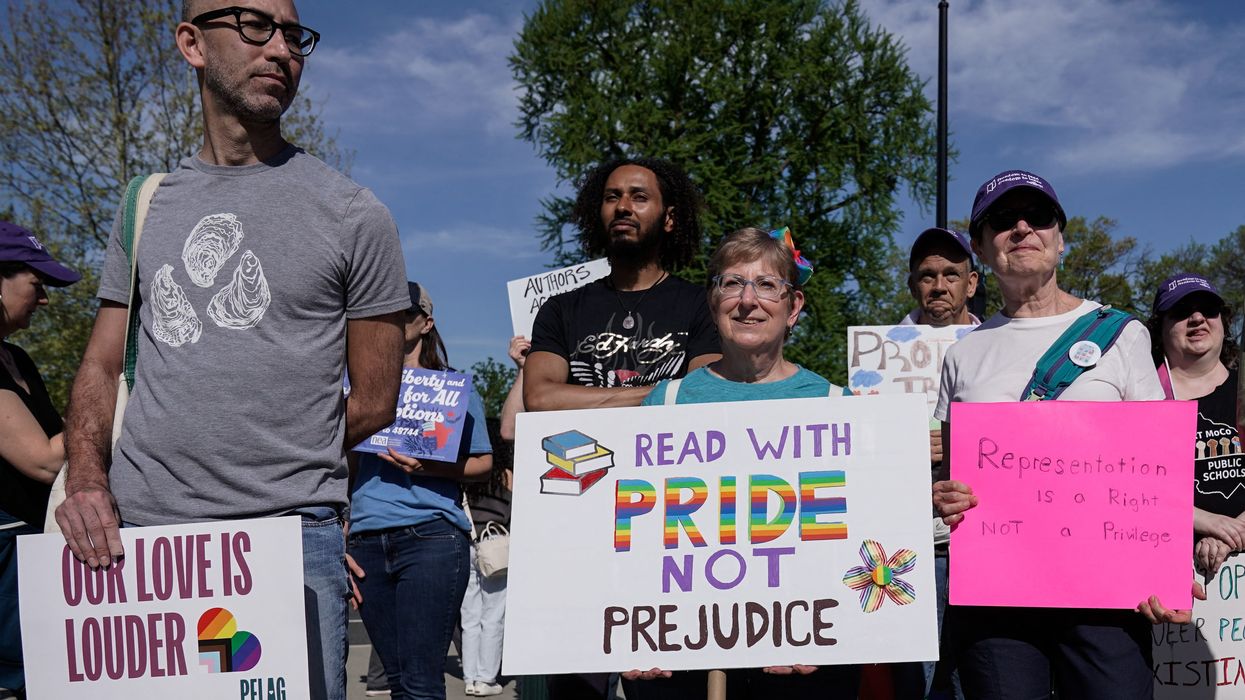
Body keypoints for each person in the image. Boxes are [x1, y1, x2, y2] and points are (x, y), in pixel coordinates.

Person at [53, 3, 408, 699]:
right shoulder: (144, 205)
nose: (280, 48)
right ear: (191, 42)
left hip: (286, 543)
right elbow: (99, 363)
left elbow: (374, 399)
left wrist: (274, 461)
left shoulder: (355, 215)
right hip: (141, 541)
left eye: (293, 35)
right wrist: (87, 480)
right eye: (253, 26)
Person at [931, 170, 1171, 699]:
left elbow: (1156, 469)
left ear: (1060, 238)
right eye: (1002, 221)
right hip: (996, 599)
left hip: (1106, 592)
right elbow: (950, 477)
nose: (1022, 228)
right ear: (978, 246)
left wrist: (1162, 570)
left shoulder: (1123, 333)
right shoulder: (962, 354)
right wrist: (944, 496)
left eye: (1037, 217)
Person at [627, 226, 858, 700]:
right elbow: (637, 533)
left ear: (793, 308)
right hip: (683, 657)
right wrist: (636, 632)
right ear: (714, 304)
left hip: (805, 658)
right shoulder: (667, 402)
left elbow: (855, 536)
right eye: (731, 283)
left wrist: (832, 629)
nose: (748, 300)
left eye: (767, 285)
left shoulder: (837, 403)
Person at [523, 157, 720, 700]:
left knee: (666, 690)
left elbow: (703, 397)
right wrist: (659, 395)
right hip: (579, 521)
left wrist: (587, 403)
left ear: (669, 217)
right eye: (612, 197)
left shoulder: (700, 304)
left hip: (670, 527)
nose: (624, 207)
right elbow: (540, 399)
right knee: (577, 686)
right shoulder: (562, 309)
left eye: (639, 196)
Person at [348, 282, 492, 700]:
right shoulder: (359, 386)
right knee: (396, 680)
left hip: (431, 537)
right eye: (384, 313)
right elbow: (346, 465)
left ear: (426, 323)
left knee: (420, 682)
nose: (393, 320)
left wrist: (428, 465)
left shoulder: (453, 388)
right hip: (367, 540)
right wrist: (342, 525)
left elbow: (483, 462)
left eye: (404, 313)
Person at [896, 226, 978, 700]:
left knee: (977, 678)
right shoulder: (882, 355)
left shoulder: (996, 347)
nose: (939, 285)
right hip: (911, 545)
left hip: (976, 540)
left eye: (952, 273)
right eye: (927, 275)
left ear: (971, 283)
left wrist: (957, 440)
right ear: (913, 285)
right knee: (919, 685)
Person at [0, 223, 81, 697]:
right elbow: (44, 460)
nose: (46, 300)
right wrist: (115, 394)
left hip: (32, 547)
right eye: (37, 284)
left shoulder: (19, 361)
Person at [1146, 274, 1245, 578]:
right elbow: (1128, 493)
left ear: (1223, 322)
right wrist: (1205, 521)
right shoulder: (1141, 399)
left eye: (1208, 309)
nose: (1198, 317)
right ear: (1160, 330)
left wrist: (1232, 533)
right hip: (1169, 575)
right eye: (1181, 311)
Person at [459, 410, 513, 698]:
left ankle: (469, 677)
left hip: (469, 544)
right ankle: (486, 678)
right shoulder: (506, 476)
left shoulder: (467, 475)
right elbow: (513, 514)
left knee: (469, 615)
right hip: (497, 549)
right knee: (494, 615)